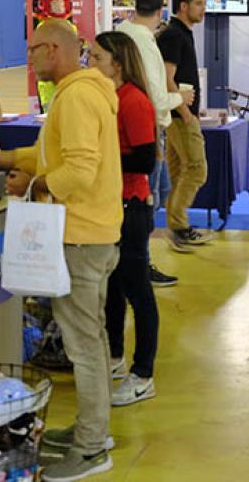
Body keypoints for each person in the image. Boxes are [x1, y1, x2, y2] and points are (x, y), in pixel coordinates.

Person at [0, 20, 122, 481]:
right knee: (92, 339)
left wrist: (33, 186)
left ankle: (91, 448)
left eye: (34, 49)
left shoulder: (76, 97)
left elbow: (78, 171)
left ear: (53, 49)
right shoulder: (80, 93)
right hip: (92, 233)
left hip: (80, 236)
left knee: (83, 346)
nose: (30, 59)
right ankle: (92, 431)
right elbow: (45, 155)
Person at [91, 32, 160, 408]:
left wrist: (99, 159)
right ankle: (115, 355)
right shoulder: (107, 97)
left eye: (97, 57)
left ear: (117, 64)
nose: (90, 63)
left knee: (137, 291)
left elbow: (146, 159)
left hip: (130, 207)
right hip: (108, 205)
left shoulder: (133, 101)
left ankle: (143, 374)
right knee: (113, 286)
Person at [117, 0, 185, 287]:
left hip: (132, 126)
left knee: (150, 195)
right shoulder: (143, 42)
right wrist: (180, 98)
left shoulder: (122, 34)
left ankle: (134, 262)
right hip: (147, 128)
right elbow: (156, 97)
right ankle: (138, 265)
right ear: (161, 12)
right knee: (146, 199)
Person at [157, 0, 212, 252]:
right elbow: (167, 78)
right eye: (198, 4)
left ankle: (176, 225)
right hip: (179, 116)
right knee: (197, 169)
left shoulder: (181, 34)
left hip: (178, 114)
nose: (203, 9)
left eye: (204, 3)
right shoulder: (173, 36)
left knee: (179, 171)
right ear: (183, 6)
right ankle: (178, 226)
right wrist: (185, 112)